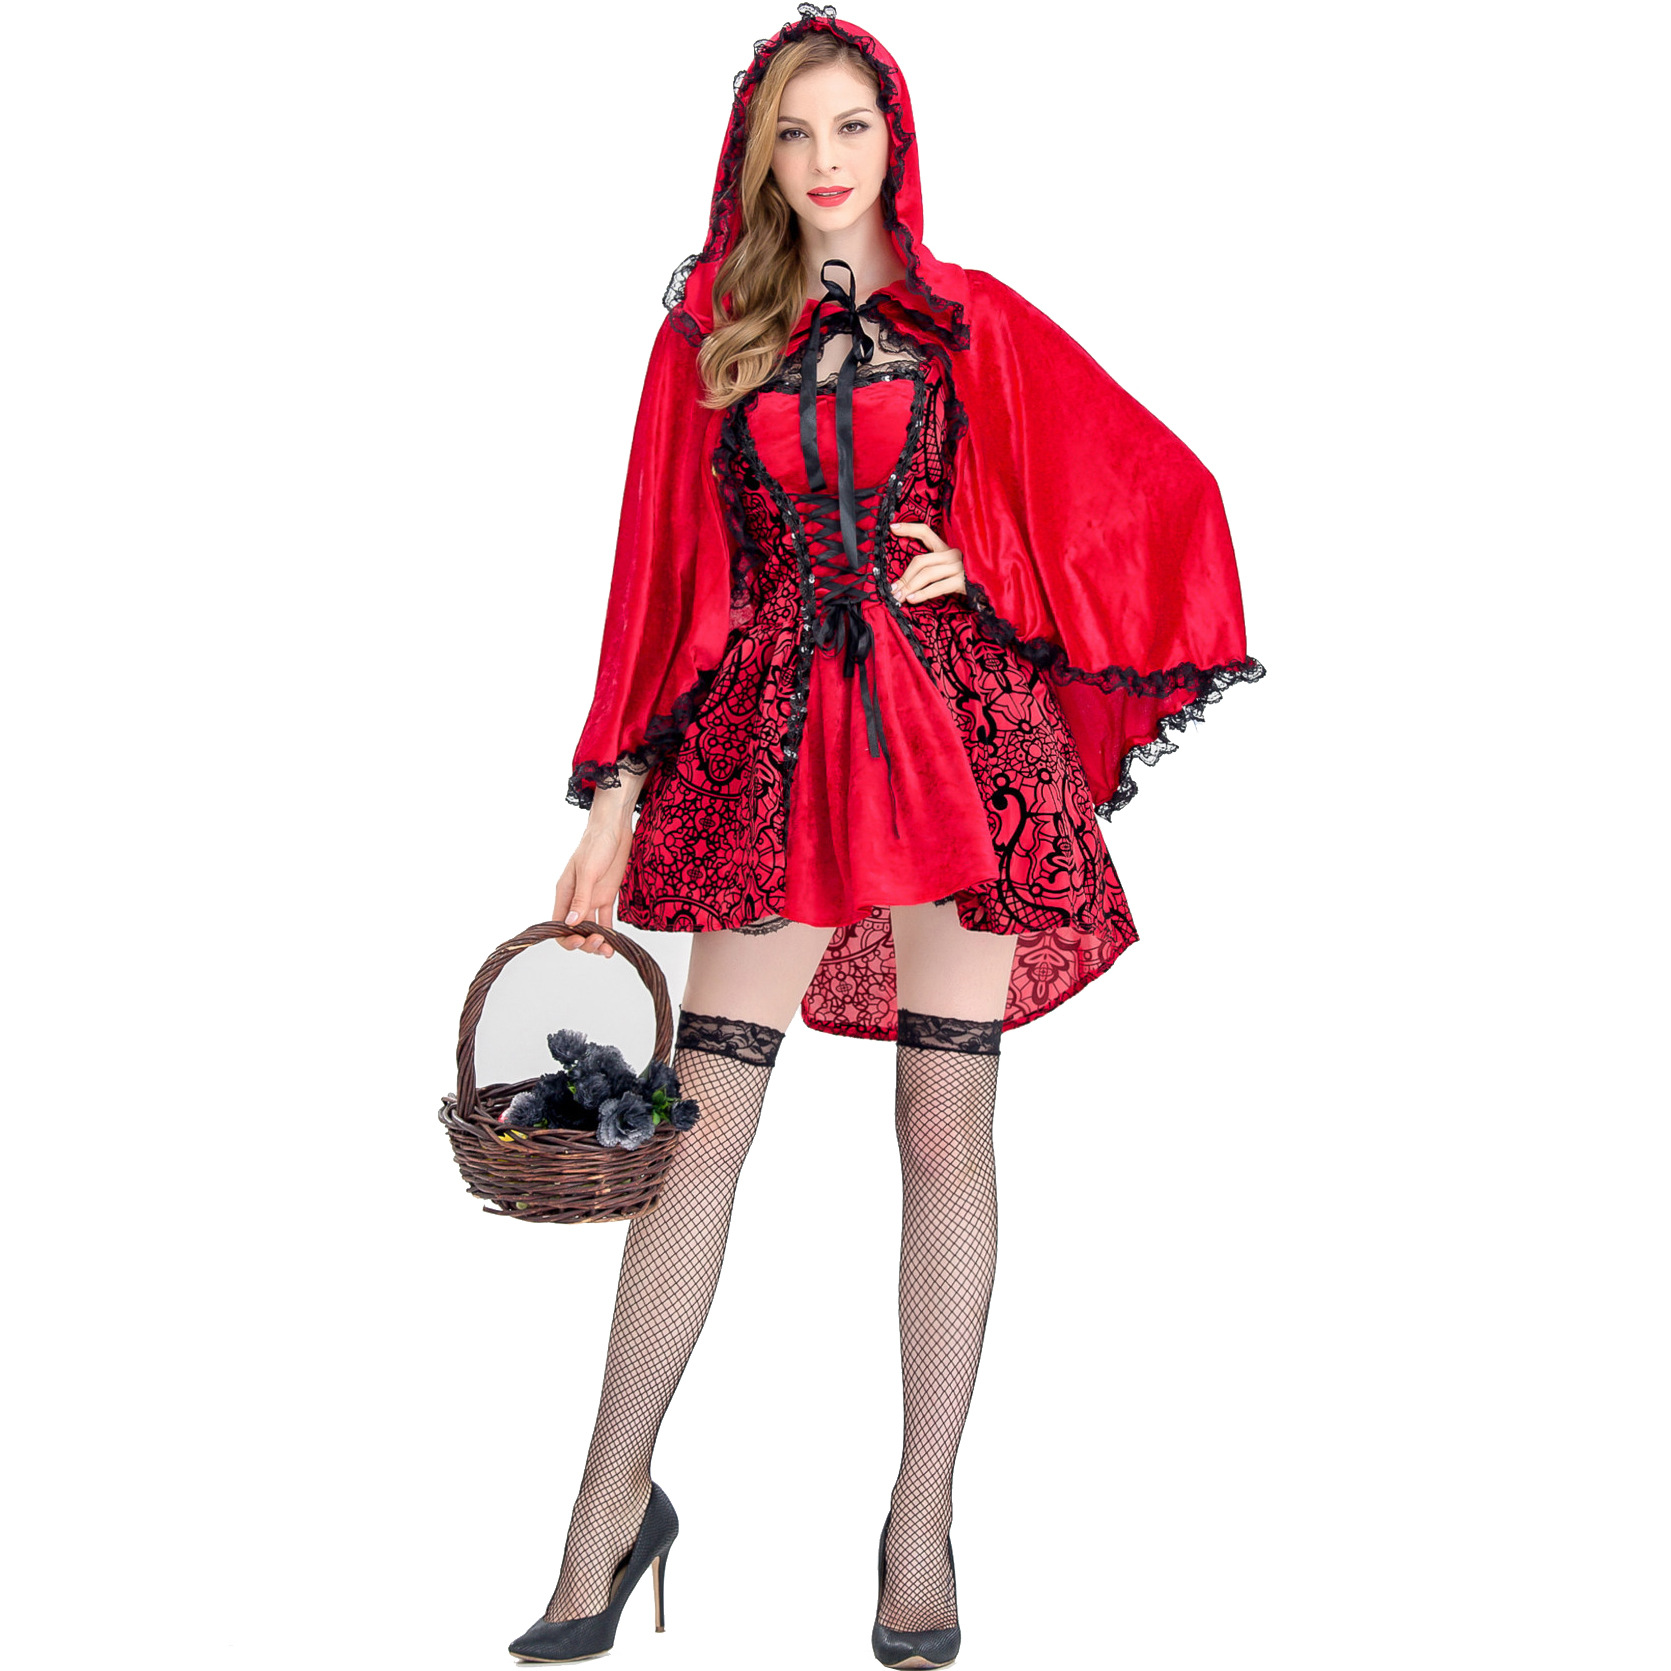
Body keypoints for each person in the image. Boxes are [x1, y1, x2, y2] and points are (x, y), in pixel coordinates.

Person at [510, 7, 1265, 1666]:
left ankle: (921, 1521)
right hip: (774, 747)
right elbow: (655, 575)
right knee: (699, 1130)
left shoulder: (968, 320)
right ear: (757, 155)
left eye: (851, 125)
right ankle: (606, 1509)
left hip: (957, 740)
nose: (826, 158)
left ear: (894, 139)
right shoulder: (710, 334)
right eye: (796, 132)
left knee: (944, 1128)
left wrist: (984, 566)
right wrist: (611, 798)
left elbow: (1155, 492)